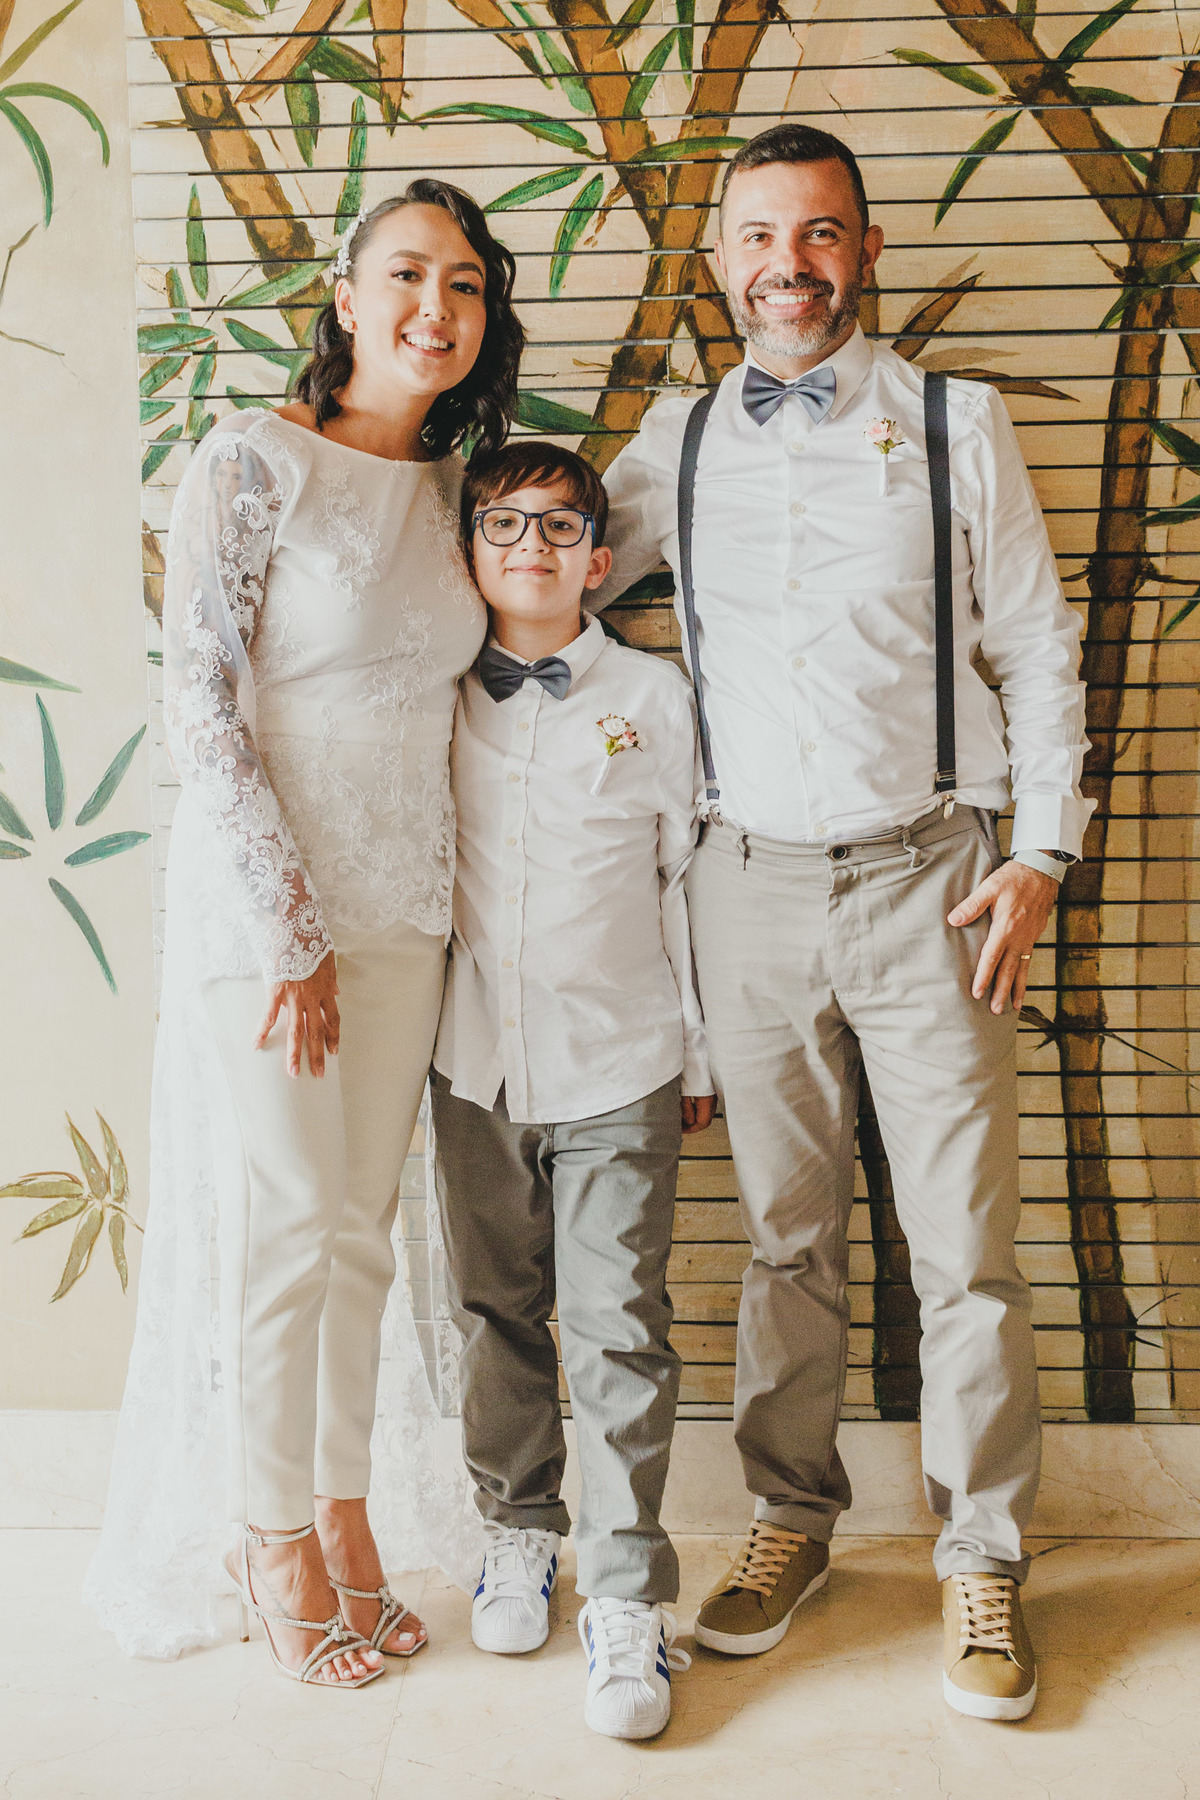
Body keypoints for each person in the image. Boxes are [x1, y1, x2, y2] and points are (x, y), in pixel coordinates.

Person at [595, 122, 1093, 1722]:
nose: (787, 265)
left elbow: (1037, 645)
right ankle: (790, 1519)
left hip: (935, 879)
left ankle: (983, 1556)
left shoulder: (956, 420)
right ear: (720, 261)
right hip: (742, 884)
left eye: (818, 233)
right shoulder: (675, 442)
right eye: (758, 236)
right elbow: (545, 575)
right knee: (786, 1242)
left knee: (966, 1253)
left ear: (863, 252)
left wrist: (1043, 852)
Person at [85, 181, 523, 1682]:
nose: (434, 308)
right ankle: (266, 1537)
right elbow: (202, 700)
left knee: (359, 1234)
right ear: (345, 297)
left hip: (409, 902)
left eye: (464, 283)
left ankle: (343, 1517)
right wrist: (289, 926)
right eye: (406, 274)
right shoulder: (250, 460)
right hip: (272, 910)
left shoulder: (460, 492)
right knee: (285, 1223)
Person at [429, 440, 717, 1739]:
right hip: (472, 1060)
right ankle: (518, 1528)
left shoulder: (655, 697)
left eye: (557, 527)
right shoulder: (435, 695)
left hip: (623, 1061)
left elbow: (686, 880)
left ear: (599, 559)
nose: (531, 547)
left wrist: (699, 1054)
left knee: (616, 1326)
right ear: (470, 554)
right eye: (504, 525)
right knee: (495, 1307)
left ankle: (625, 1595)